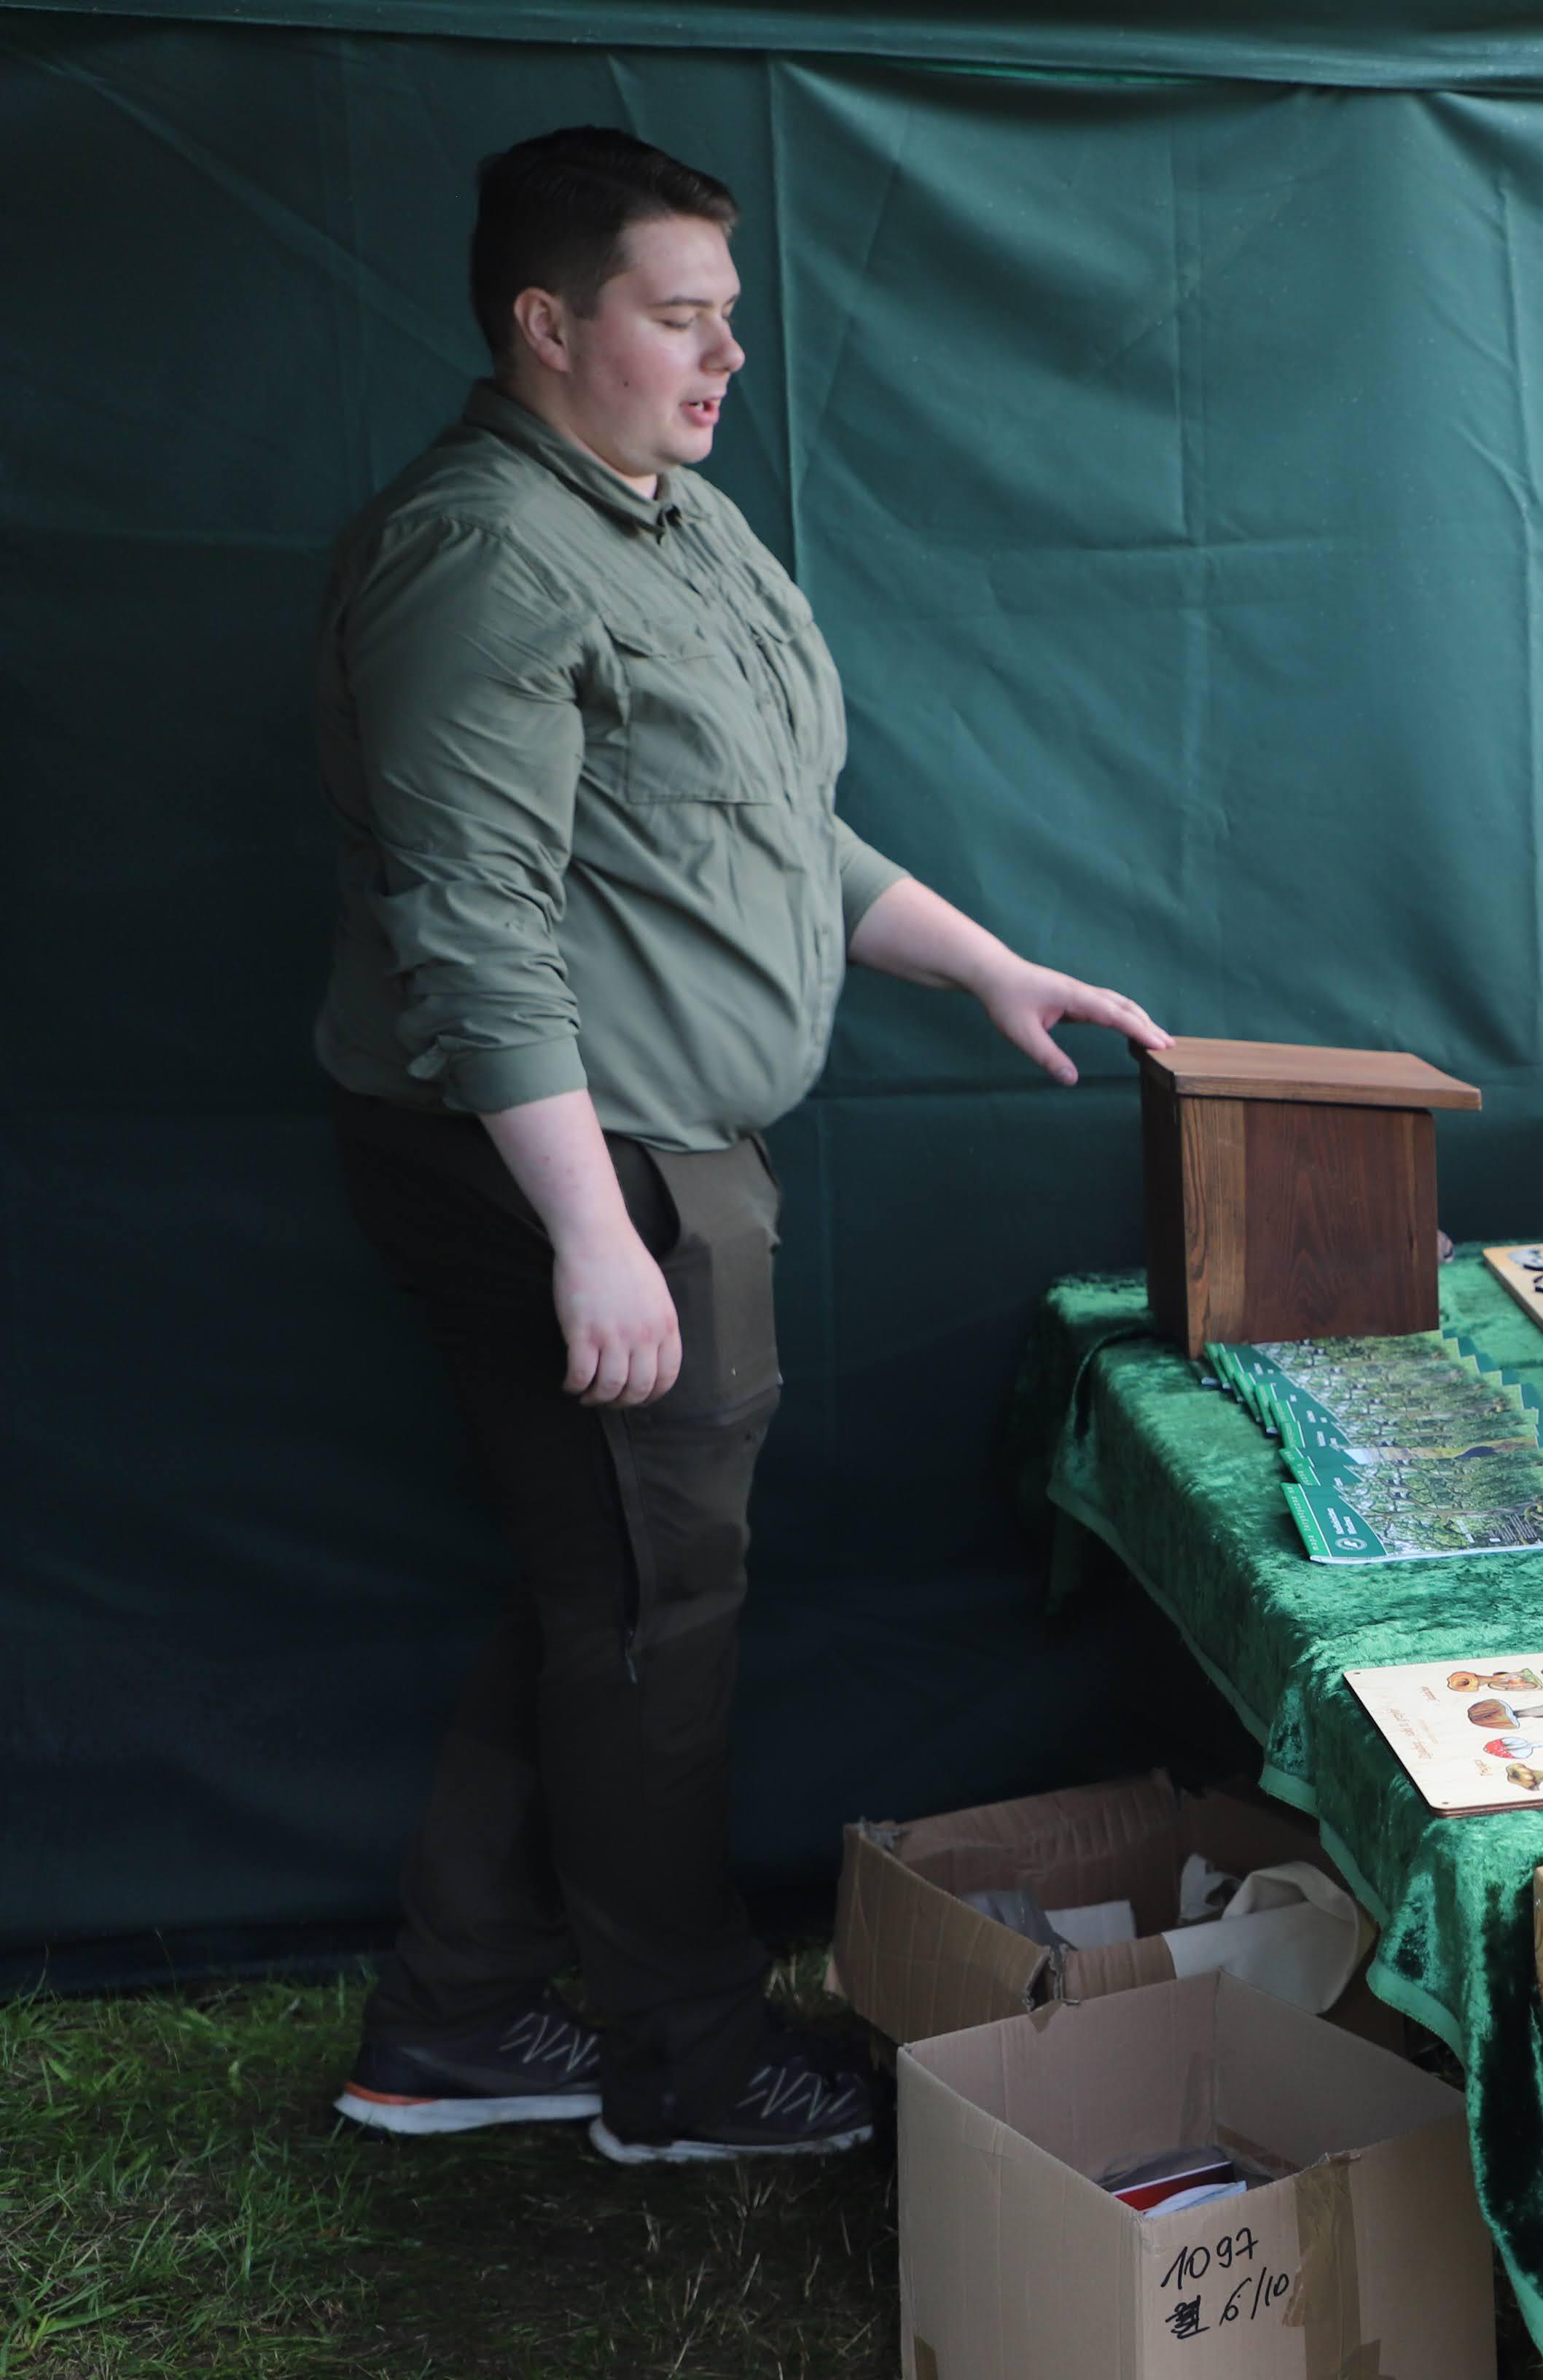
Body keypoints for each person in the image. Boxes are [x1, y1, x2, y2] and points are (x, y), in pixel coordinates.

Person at [317, 130, 1165, 2161]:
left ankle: (449, 2019)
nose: (727, 359)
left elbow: (776, 827)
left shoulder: (669, 518)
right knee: (651, 1614)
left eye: (730, 318)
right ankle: (682, 2068)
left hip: (656, 1155)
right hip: (580, 1159)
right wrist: (591, 1231)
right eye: (680, 318)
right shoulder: (481, 558)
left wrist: (985, 966)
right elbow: (471, 923)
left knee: (607, 1587)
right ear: (547, 324)